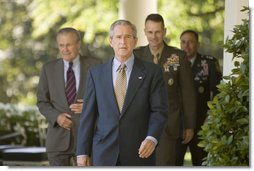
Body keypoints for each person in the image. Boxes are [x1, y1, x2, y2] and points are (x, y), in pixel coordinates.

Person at [76, 19, 168, 166]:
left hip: (139, 152)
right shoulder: (96, 74)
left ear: (135, 41)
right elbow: (88, 116)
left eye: (128, 37)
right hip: (103, 152)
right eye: (118, 37)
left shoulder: (152, 72)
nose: (123, 42)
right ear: (111, 41)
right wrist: (82, 151)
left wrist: (152, 138)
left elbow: (159, 111)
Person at [134, 14, 196, 166]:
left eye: (157, 32)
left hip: (168, 126)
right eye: (150, 32)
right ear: (145, 32)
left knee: (164, 164)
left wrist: (189, 125)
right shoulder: (136, 56)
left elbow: (188, 94)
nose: (153, 36)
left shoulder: (177, 56)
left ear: (164, 31)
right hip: (140, 124)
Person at [37, 27, 100, 166]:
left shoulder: (96, 65)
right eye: (61, 45)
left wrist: (89, 106)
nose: (65, 49)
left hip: (88, 139)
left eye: (69, 45)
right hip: (57, 141)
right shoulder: (48, 69)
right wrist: (57, 117)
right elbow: (42, 102)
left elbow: (107, 98)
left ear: (78, 44)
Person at [175, 29, 222, 166]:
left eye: (190, 42)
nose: (186, 46)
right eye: (183, 42)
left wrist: (211, 116)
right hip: (179, 123)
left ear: (198, 44)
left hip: (202, 123)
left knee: (201, 163)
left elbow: (218, 92)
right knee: (174, 162)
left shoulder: (209, 63)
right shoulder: (172, 62)